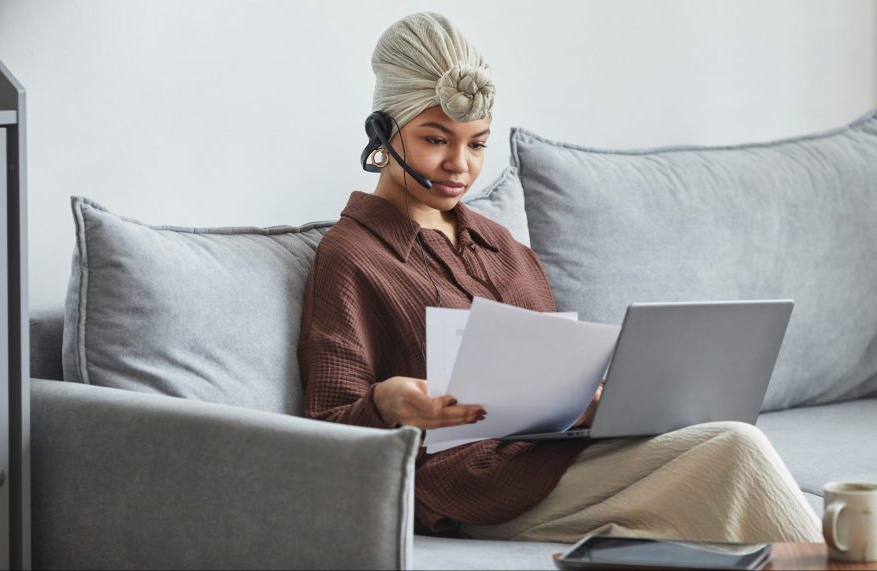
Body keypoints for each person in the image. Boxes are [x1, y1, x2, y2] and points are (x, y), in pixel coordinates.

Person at [296, 11, 822, 543]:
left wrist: (596, 402)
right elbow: (323, 433)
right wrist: (386, 402)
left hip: (555, 456)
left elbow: (552, 387)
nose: (460, 165)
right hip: (473, 486)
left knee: (720, 442)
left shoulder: (502, 247)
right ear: (383, 134)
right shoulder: (352, 256)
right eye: (437, 140)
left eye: (477, 144)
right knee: (735, 450)